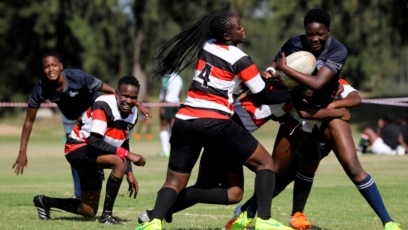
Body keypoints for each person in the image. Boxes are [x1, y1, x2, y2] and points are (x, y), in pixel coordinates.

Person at [230, 8, 401, 230]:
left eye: (320, 34)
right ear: (305, 32)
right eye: (310, 34)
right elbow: (276, 66)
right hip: (298, 115)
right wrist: (273, 70)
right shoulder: (293, 43)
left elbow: (320, 84)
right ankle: (247, 213)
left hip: (325, 115)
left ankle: (388, 222)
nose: (315, 39)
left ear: (328, 31)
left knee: (352, 166)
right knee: (278, 171)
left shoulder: (338, 50)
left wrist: (333, 106)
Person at [135, 11, 293, 230]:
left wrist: (256, 78)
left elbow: (227, 83)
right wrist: (295, 94)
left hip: (184, 121)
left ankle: (153, 222)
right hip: (215, 123)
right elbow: (263, 96)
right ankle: (264, 221)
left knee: (174, 181)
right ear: (227, 35)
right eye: (239, 27)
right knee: (266, 164)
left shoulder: (207, 46)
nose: (243, 28)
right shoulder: (240, 59)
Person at [12, 52, 150, 200]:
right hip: (70, 119)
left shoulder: (77, 77)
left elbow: (113, 91)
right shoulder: (41, 88)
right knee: (75, 153)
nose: (50, 69)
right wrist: (22, 151)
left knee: (99, 144)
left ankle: (97, 169)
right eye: (46, 67)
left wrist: (136, 103)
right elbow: (28, 121)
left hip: (92, 112)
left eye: (54, 65)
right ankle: (78, 194)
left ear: (61, 67)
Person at [32, 75, 146, 224]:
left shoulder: (133, 114)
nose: (129, 101)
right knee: (119, 161)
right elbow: (94, 141)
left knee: (88, 210)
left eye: (133, 97)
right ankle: (107, 216)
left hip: (93, 153)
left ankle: (44, 201)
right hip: (77, 148)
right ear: (117, 93)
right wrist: (128, 156)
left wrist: (129, 174)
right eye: (125, 96)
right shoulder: (103, 104)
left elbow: (123, 143)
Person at [158, 72, 183, 157]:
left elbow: (165, 90)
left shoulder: (166, 76)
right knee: (173, 126)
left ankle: (165, 151)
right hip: (176, 103)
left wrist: (162, 106)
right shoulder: (179, 78)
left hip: (167, 103)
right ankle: (176, 149)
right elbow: (180, 92)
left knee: (163, 125)